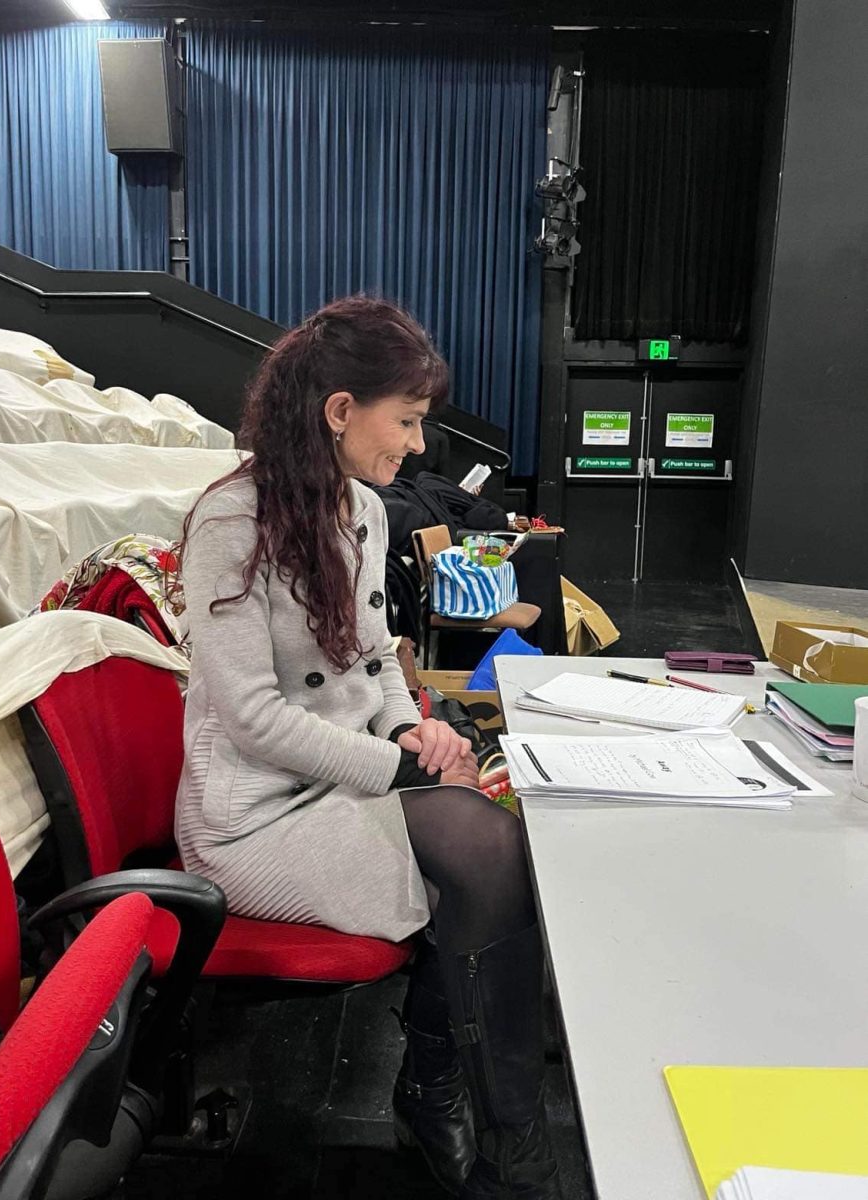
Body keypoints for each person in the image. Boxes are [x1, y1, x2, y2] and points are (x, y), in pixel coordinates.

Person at [174, 296, 562, 1199]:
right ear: (341, 411)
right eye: (410, 421)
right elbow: (253, 720)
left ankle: (474, 1114)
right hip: (252, 821)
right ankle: (483, 1127)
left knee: (494, 843)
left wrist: (408, 725)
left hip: (341, 780)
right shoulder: (230, 523)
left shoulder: (363, 509)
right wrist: (396, 763)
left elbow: (379, 657)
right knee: (483, 856)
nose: (421, 446)